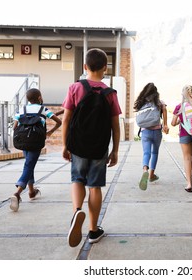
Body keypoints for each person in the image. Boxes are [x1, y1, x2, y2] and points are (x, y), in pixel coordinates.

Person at [61, 48, 121, 247]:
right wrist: (115, 150)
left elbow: (66, 119)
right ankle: (93, 230)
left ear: (85, 67)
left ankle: (77, 210)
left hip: (78, 145)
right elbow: (115, 125)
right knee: (95, 186)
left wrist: (65, 145)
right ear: (106, 68)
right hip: (99, 147)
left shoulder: (74, 88)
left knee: (77, 179)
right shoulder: (110, 93)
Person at [10, 88, 61, 211]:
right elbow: (58, 122)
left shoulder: (22, 109)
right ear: (39, 98)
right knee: (29, 165)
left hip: (23, 141)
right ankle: (17, 193)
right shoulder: (43, 109)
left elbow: (15, 126)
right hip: (36, 141)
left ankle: (32, 191)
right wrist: (50, 132)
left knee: (29, 164)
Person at [134, 83, 169, 190]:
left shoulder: (141, 103)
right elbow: (165, 111)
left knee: (146, 153)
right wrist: (166, 125)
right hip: (157, 131)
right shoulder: (159, 102)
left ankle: (145, 170)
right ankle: (151, 175)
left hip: (145, 132)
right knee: (155, 152)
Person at [171, 85, 192, 192]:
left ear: (183, 94)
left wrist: (180, 120)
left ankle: (189, 184)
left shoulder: (179, 107)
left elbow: (172, 123)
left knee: (187, 157)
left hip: (184, 133)